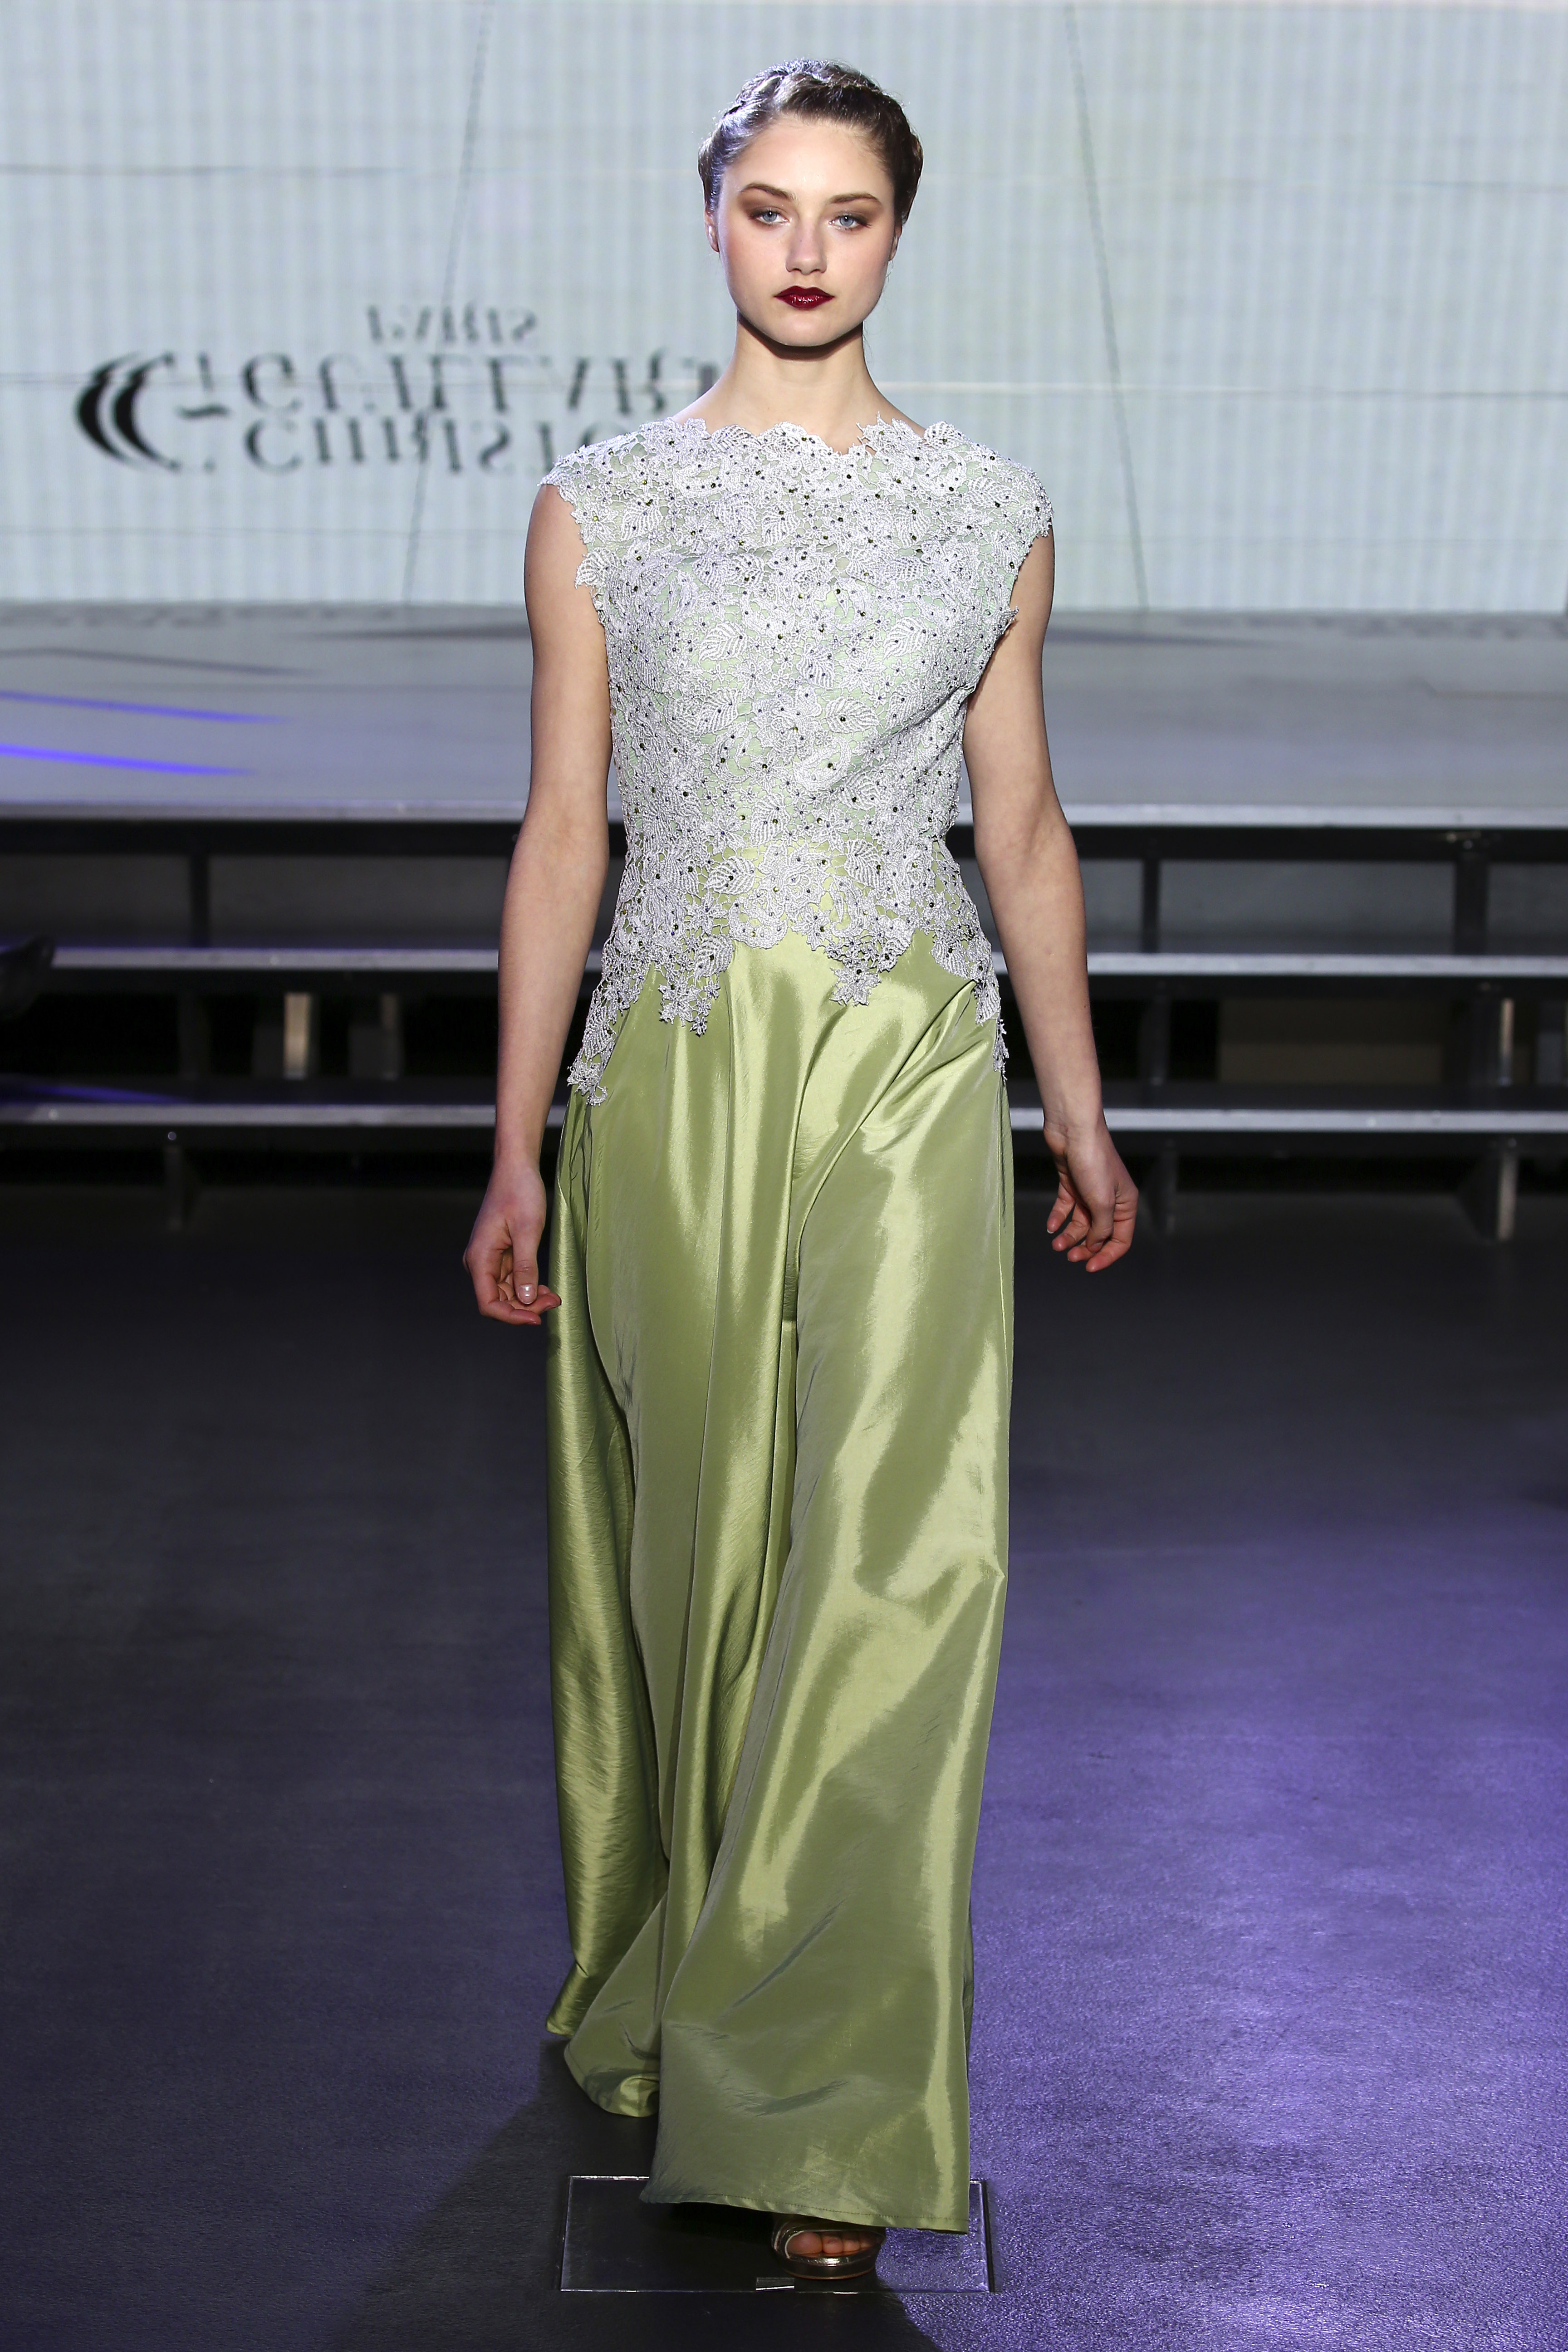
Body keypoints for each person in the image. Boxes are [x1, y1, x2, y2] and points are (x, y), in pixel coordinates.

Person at [464, 58, 1137, 2282]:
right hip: (671, 1063)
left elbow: (1020, 827)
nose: (810, 249)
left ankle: (830, 2109)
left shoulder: (987, 510)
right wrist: (512, 1143)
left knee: (896, 1561)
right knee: (705, 1561)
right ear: (716, 223)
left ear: (897, 232)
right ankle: (689, 1964)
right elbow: (565, 832)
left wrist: (1080, 1105)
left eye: (849, 212)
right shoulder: (601, 507)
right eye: (772, 208)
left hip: (910, 1056)